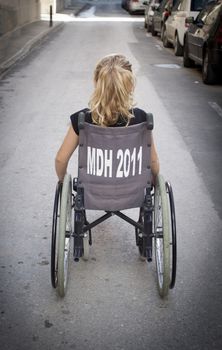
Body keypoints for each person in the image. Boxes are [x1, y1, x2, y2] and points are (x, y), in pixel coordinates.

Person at [55, 54, 159, 182]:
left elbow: (61, 159)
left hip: (92, 198)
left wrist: (62, 180)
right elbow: (153, 162)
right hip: (133, 197)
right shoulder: (142, 118)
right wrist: (155, 180)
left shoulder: (82, 120)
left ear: (96, 83)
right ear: (130, 85)